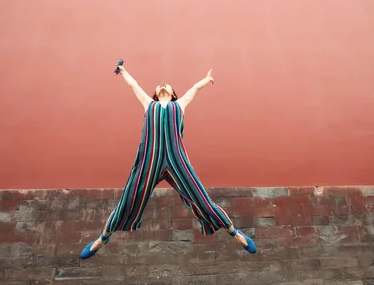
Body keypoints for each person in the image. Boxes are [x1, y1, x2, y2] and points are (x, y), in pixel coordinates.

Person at [80, 63, 257, 259]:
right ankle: (101, 239)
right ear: (155, 94)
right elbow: (134, 85)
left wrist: (206, 80)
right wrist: (123, 72)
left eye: (167, 85)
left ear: (173, 94)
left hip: (176, 159)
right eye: (159, 85)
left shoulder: (179, 105)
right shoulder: (149, 104)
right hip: (150, 159)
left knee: (200, 197)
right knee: (129, 198)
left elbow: (194, 89)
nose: (162, 85)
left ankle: (236, 234)